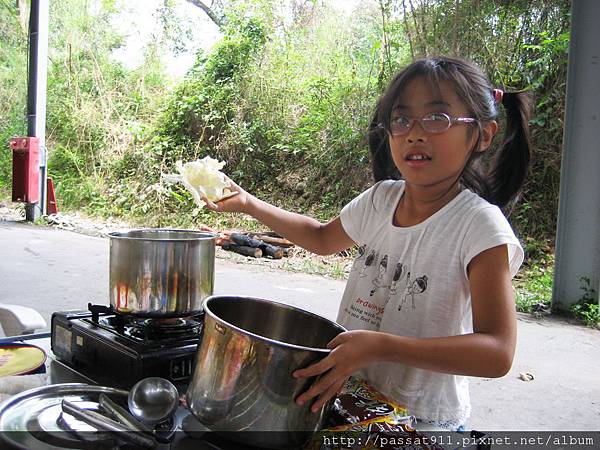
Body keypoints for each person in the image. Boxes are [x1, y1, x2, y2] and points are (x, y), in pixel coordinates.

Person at [203, 55, 533, 431]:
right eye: (401, 118)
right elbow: (321, 238)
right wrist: (248, 203)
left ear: (483, 134)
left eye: (437, 118)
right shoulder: (381, 199)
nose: (415, 132)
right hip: (354, 399)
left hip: (422, 422)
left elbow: (497, 352)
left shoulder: (479, 227)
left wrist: (382, 345)